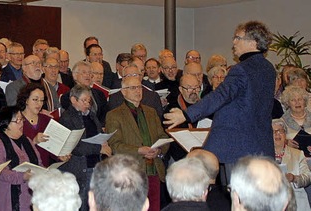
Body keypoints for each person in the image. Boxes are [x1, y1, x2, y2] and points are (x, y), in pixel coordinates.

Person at [164, 21, 277, 177]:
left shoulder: (241, 69)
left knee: (236, 196)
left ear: (253, 42)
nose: (234, 42)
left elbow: (220, 95)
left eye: (238, 37)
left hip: (236, 147)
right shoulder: (269, 68)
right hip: (260, 145)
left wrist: (186, 114)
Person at [106, 77, 169, 211]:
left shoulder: (151, 112)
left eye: (139, 87)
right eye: (132, 88)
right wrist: (139, 150)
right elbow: (115, 145)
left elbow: (163, 136)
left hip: (153, 170)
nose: (138, 91)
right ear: (123, 92)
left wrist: (158, 150)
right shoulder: (114, 115)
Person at [58, 85, 110, 211]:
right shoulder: (67, 118)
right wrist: (99, 149)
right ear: (73, 100)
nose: (87, 103)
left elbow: (97, 133)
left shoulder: (91, 115)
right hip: (79, 168)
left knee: (94, 204)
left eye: (89, 100)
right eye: (84, 100)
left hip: (95, 165)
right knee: (82, 205)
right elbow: (73, 147)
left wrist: (104, 141)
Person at [0, 106, 41, 211]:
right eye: (18, 120)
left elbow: (39, 163)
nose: (22, 123)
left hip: (30, 196)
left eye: (22, 119)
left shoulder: (27, 141)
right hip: (8, 199)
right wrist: (22, 176)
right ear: (6, 124)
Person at [272, 119, 311, 211]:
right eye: (273, 132)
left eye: (280, 131)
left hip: (297, 201)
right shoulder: (264, 156)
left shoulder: (297, 154)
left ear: (285, 134)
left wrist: (293, 178)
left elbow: (308, 177)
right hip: (272, 202)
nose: (277, 134)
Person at [17, 83, 58, 167]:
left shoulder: (46, 120)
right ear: (26, 100)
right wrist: (34, 141)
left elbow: (52, 148)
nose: (39, 104)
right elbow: (14, 151)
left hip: (44, 169)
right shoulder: (16, 121)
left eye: (42, 100)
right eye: (35, 99)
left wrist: (60, 156)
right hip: (25, 171)